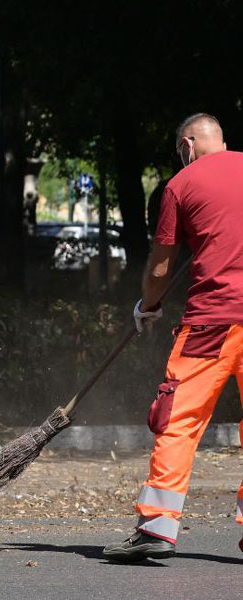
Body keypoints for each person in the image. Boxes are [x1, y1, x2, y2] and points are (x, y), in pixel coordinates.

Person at [103, 113, 243, 563]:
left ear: (187, 143)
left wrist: (147, 305)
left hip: (210, 325)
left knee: (177, 421)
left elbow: (162, 267)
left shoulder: (181, 185)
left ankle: (156, 530)